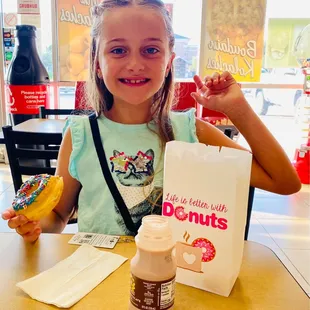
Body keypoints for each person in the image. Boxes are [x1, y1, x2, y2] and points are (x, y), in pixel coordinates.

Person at [1, 0, 301, 242]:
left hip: (172, 281)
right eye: (118, 50)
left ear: (170, 59)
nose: (135, 64)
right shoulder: (80, 135)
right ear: (98, 62)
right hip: (95, 283)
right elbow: (59, 216)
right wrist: (34, 223)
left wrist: (239, 110)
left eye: (151, 50)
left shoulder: (191, 132)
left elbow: (285, 182)